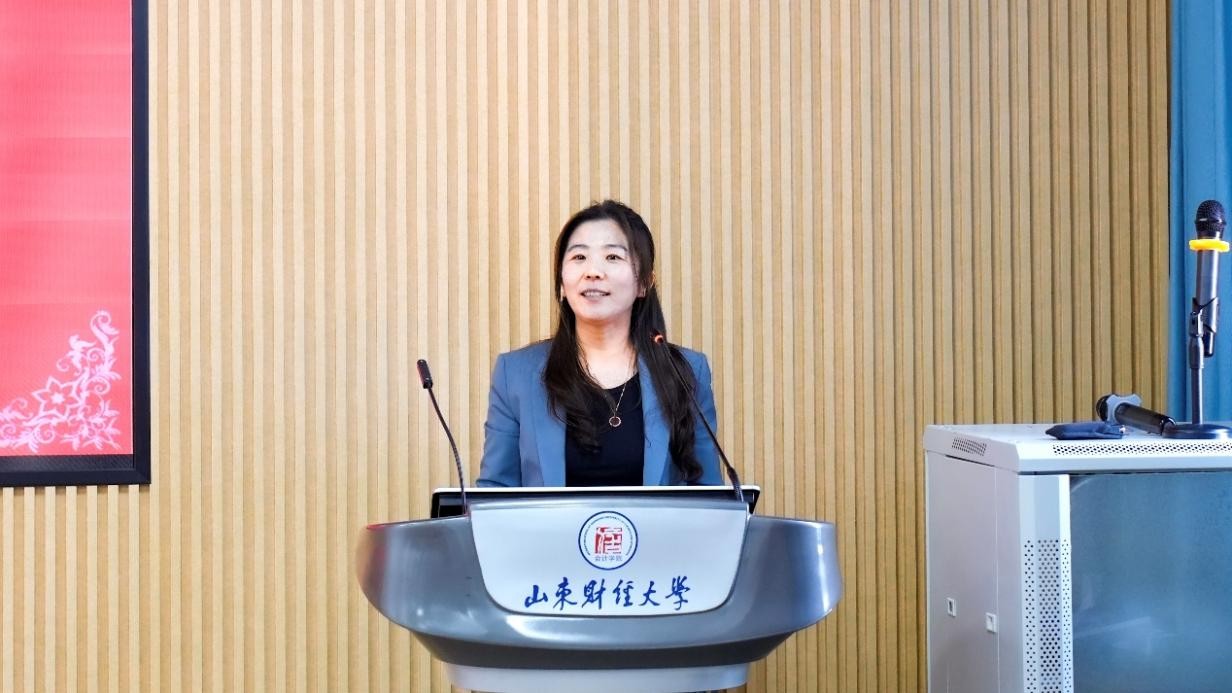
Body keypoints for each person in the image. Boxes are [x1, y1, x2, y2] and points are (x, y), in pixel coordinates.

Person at [477, 200, 723, 487]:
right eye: (579, 257)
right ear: (561, 283)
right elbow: (495, 492)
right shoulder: (515, 374)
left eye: (613, 257)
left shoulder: (686, 372)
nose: (592, 271)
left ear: (644, 282)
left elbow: (709, 494)